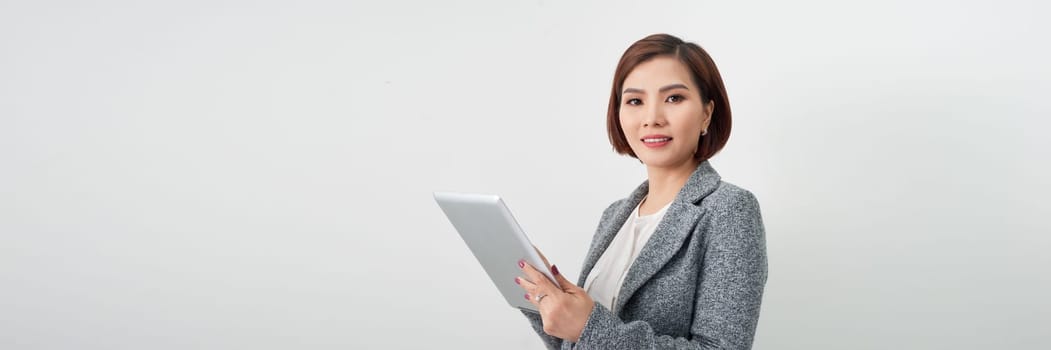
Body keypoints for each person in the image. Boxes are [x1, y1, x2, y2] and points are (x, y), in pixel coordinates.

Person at [514, 33, 768, 349]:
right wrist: (543, 298)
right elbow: (578, 341)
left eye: (674, 98)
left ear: (706, 113)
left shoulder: (730, 209)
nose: (652, 118)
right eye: (635, 101)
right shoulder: (615, 215)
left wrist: (589, 328)